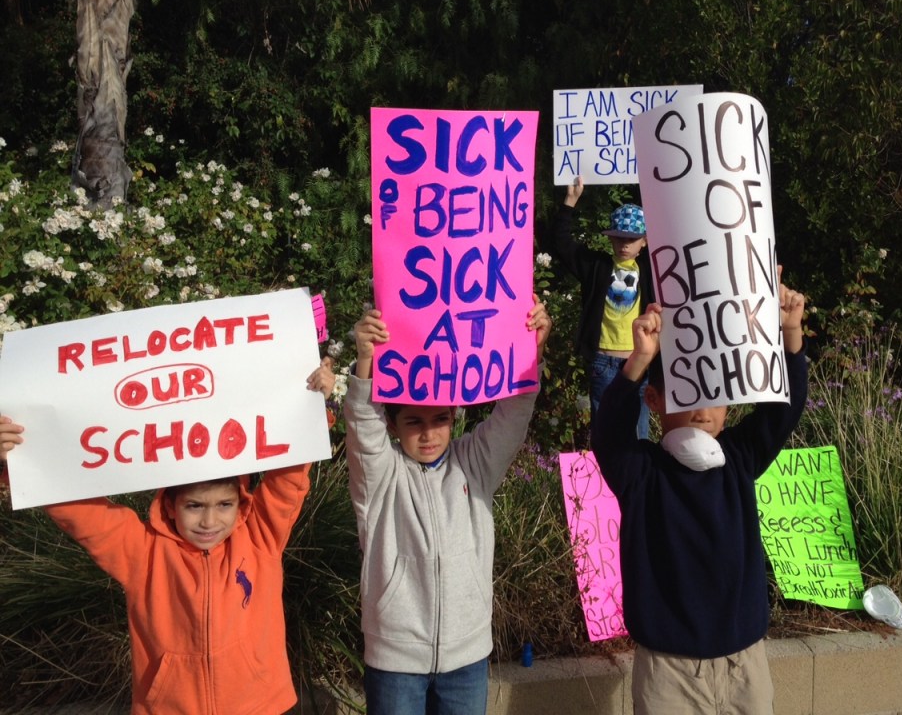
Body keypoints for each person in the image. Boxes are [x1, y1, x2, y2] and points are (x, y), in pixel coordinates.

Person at [0, 366, 332, 714]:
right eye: (194, 506)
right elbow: (81, 513)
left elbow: (288, 479)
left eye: (224, 505)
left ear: (242, 502)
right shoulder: (142, 551)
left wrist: (310, 407)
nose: (209, 520)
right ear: (170, 507)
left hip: (261, 705)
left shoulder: (260, 536)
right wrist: (20, 461)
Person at [591, 272, 807, 715]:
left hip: (744, 663)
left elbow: (782, 411)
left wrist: (789, 333)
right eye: (687, 392)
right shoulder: (642, 471)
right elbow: (608, 433)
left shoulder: (739, 458)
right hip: (668, 672)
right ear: (654, 401)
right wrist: (639, 359)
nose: (703, 409)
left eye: (717, 393)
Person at [331, 298, 550, 715]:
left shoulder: (476, 463)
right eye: (413, 421)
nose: (428, 433)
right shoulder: (379, 476)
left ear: (454, 417)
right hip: (395, 662)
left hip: (466, 657)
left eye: (440, 419)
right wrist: (365, 361)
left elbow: (513, 414)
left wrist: (530, 352)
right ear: (392, 424)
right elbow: (362, 427)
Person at [550, 175, 655, 437]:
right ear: (610, 238)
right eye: (618, 237)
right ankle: (607, 479)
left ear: (645, 242)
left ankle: (636, 478)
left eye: (632, 238)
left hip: (639, 363)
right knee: (605, 436)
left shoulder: (653, 270)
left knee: (640, 435)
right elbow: (560, 242)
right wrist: (570, 200)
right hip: (603, 363)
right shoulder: (596, 267)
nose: (624, 244)